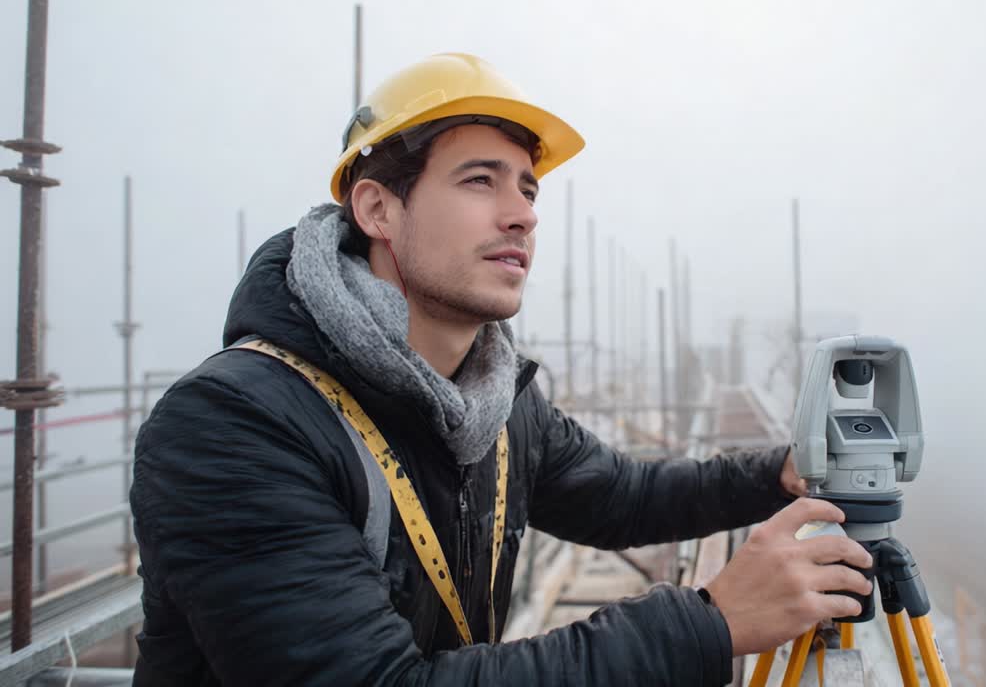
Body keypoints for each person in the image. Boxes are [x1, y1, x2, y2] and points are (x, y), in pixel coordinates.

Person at [129, 52, 872, 686]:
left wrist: (778, 471)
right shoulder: (235, 425)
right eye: (480, 181)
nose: (521, 215)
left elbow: (622, 496)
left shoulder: (493, 401)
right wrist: (708, 624)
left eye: (528, 187)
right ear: (377, 209)